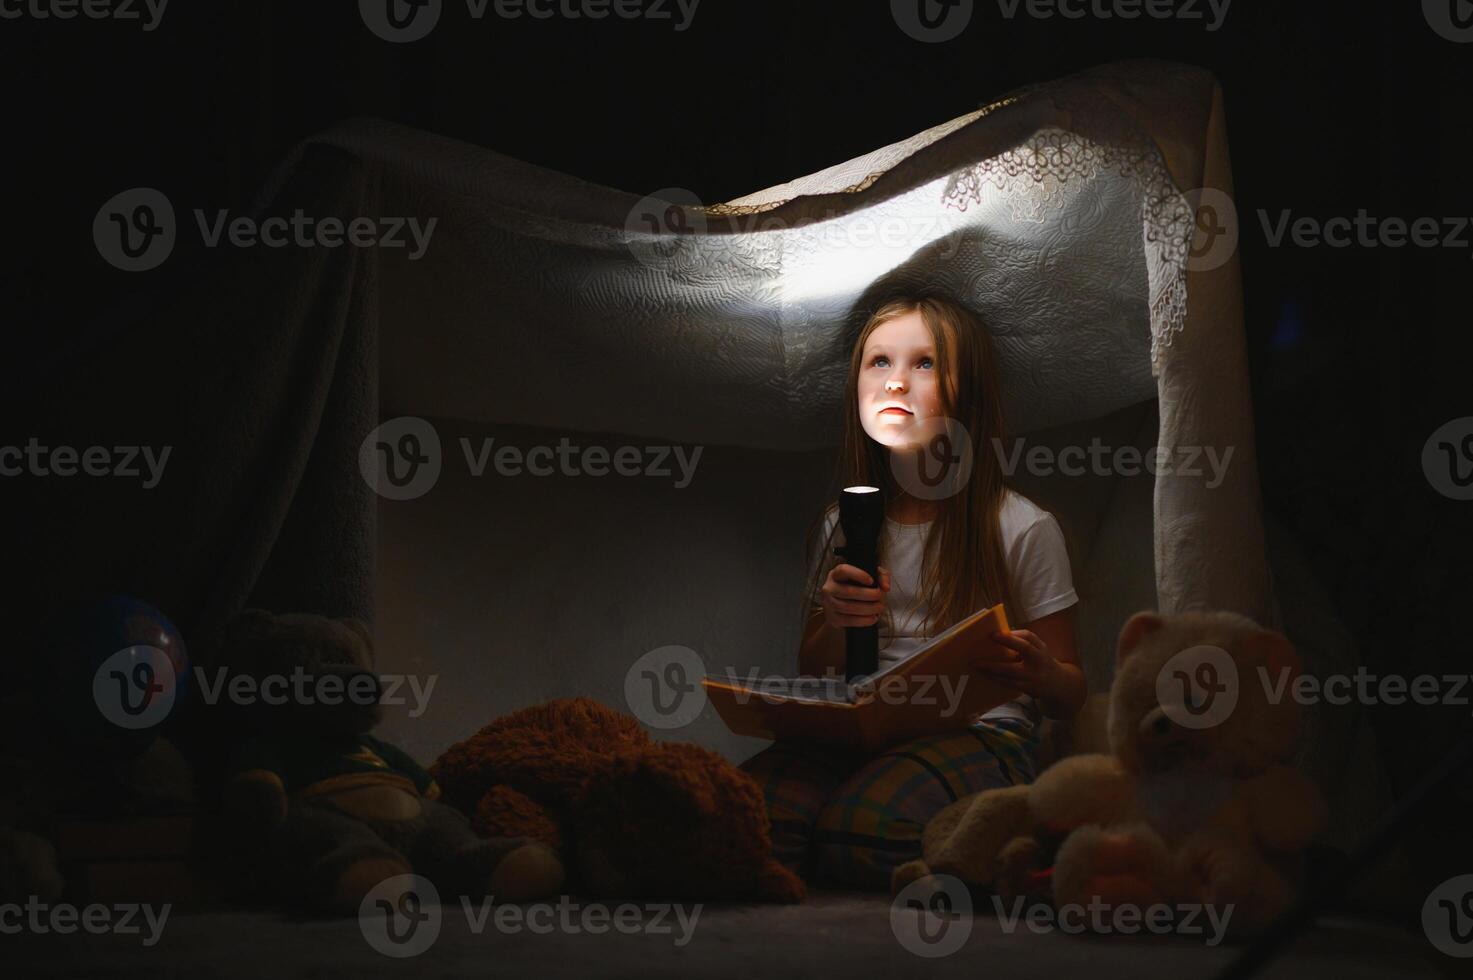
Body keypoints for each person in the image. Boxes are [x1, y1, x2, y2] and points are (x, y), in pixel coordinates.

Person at [738, 293, 1086, 890]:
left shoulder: (1020, 525)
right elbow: (814, 666)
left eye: (924, 364)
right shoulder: (842, 524)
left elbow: (1071, 691)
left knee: (863, 828)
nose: (895, 381)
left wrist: (1041, 673)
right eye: (878, 362)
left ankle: (994, 849)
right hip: (861, 726)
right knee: (744, 817)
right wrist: (838, 624)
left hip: (979, 731)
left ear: (967, 396)